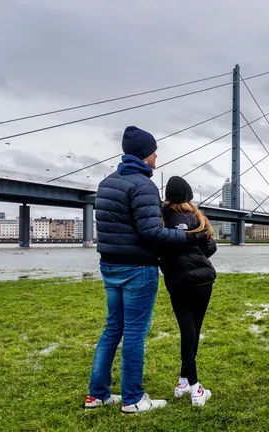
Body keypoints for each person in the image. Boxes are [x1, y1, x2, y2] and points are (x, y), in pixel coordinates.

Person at [85, 126, 210, 414]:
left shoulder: (106, 183)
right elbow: (152, 232)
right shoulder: (143, 186)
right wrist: (192, 237)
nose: (156, 156)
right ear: (144, 155)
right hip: (137, 268)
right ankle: (133, 399)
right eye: (154, 151)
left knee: (112, 329)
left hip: (110, 265)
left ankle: (98, 394)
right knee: (134, 334)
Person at [159, 176, 217, 407]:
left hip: (177, 281)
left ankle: (184, 382)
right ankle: (195, 388)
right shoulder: (197, 217)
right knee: (194, 330)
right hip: (203, 281)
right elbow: (210, 248)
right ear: (189, 197)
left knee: (187, 329)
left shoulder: (160, 219)